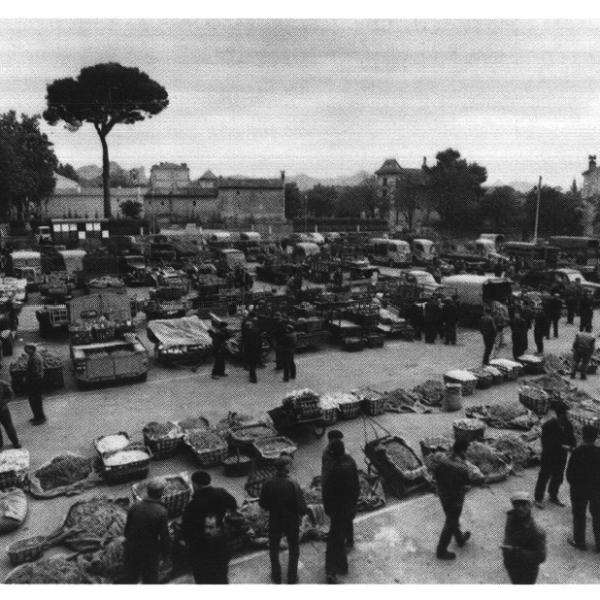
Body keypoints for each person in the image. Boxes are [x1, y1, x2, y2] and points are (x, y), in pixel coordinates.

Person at [181, 471, 238, 584]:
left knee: (204, 579)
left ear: (195, 485)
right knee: (221, 577)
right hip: (220, 543)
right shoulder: (221, 493)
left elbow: (186, 530)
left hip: (201, 549)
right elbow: (233, 506)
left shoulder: (192, 506)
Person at [259, 455, 308, 584]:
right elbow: (302, 507)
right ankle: (292, 577)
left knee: (274, 547)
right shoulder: (293, 483)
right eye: (289, 464)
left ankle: (276, 575)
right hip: (291, 520)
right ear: (285, 467)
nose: (291, 466)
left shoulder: (268, 483)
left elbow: (262, 504)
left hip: (275, 519)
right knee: (294, 548)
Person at [432, 438, 483, 560]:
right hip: (455, 497)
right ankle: (441, 550)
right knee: (451, 522)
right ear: (462, 451)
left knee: (452, 518)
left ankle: (459, 538)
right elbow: (472, 480)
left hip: (442, 493)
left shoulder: (440, 457)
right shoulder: (462, 467)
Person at [322, 439, 360, 584]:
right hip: (349, 508)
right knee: (340, 536)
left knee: (333, 540)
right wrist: (353, 504)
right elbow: (357, 486)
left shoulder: (334, 469)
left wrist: (328, 509)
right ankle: (343, 566)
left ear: (332, 453)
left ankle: (331, 572)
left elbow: (328, 492)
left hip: (338, 510)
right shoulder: (351, 463)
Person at [123, 479, 170, 584]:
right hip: (149, 554)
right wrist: (165, 555)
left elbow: (126, 532)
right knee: (150, 580)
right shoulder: (161, 512)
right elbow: (164, 538)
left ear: (148, 491)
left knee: (131, 579)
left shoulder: (134, 507)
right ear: (160, 494)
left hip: (131, 550)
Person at [534, 402, 576, 509]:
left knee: (558, 477)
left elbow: (572, 440)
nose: (569, 416)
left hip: (561, 457)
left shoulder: (568, 425)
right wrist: (561, 446)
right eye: (567, 413)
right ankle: (538, 498)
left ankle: (553, 495)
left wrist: (571, 447)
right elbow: (545, 442)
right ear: (561, 414)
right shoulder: (548, 425)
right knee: (544, 476)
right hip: (549, 456)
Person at [565, 425, 600, 551]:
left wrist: (574, 484)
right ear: (596, 437)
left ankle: (579, 541)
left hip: (579, 489)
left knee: (579, 514)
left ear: (583, 436)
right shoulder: (598, 453)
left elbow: (569, 473)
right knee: (597, 515)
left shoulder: (577, 452)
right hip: (596, 489)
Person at [501, 491, 547, 584]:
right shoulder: (511, 518)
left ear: (531, 506)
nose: (520, 508)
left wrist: (515, 551)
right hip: (511, 564)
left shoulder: (536, 531)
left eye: (524, 505)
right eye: (517, 505)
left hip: (526, 570)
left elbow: (540, 557)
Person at [321, 429, 354, 548]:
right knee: (339, 521)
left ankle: (349, 540)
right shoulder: (329, 454)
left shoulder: (342, 455)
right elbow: (327, 477)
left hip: (342, 497)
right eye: (339, 440)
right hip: (338, 497)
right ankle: (340, 540)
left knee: (344, 520)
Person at [25, 344, 45, 425]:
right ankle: (38, 416)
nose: (25, 350)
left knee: (35, 400)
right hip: (37, 380)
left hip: (35, 381)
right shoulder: (35, 355)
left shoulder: (34, 358)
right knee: (36, 400)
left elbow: (35, 371)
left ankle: (40, 418)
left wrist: (27, 378)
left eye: (27, 349)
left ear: (32, 349)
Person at [0, 378, 20, 450]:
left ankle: (12, 442)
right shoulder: (3, 383)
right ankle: (15, 442)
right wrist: (4, 402)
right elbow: (10, 394)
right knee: (9, 426)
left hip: (2, 408)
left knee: (9, 426)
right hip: (3, 409)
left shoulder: (3, 383)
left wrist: (3, 402)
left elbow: (10, 394)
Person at [243, 319, 262, 383]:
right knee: (253, 364)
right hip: (256, 350)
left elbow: (246, 343)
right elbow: (260, 341)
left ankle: (253, 378)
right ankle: (251, 376)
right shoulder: (256, 331)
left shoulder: (246, 333)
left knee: (251, 365)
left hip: (250, 351)